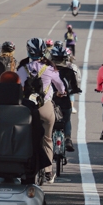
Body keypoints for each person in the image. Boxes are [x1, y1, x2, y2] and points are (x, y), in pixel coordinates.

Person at [18, 37, 65, 184]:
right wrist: (60, 93)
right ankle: (48, 172)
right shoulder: (50, 69)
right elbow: (61, 87)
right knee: (47, 139)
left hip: (26, 109)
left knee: (23, 138)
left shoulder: (22, 68)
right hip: (44, 107)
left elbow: (16, 87)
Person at [50, 42, 81, 152]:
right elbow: (74, 87)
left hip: (52, 102)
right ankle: (68, 139)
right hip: (65, 102)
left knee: (49, 122)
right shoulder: (69, 71)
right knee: (67, 120)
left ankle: (48, 141)